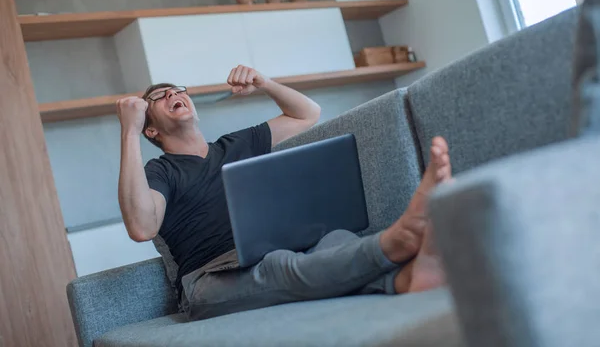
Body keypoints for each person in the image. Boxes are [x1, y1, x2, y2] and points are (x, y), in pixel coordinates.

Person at [117, 65, 448, 321]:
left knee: (334, 239)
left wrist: (264, 83)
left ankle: (406, 279)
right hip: (207, 279)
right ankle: (398, 241)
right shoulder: (159, 172)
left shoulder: (238, 144)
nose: (173, 93)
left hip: (270, 249)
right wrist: (129, 131)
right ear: (151, 128)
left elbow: (307, 114)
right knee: (281, 267)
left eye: (177, 90)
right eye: (159, 97)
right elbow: (142, 227)